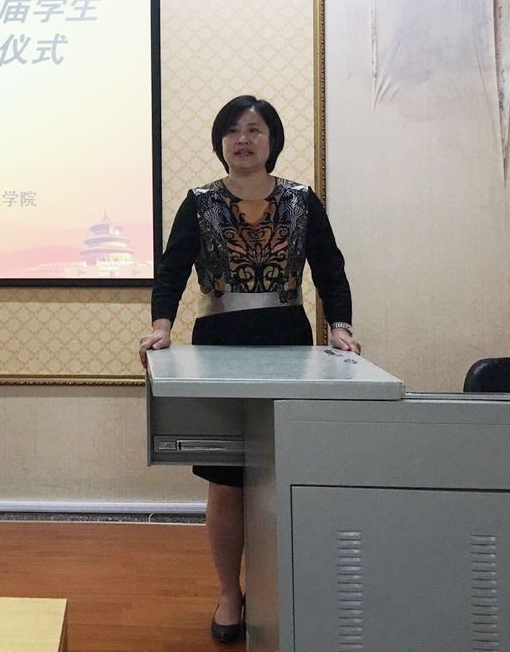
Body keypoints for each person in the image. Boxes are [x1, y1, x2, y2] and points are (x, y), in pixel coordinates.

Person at [139, 94, 359, 644]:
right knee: (226, 481)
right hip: (218, 343)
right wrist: (161, 326)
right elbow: (172, 270)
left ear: (272, 141)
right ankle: (229, 594)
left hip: (287, 339)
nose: (244, 139)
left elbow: (330, 269)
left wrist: (340, 326)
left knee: (282, 475)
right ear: (220, 142)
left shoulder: (302, 201)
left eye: (255, 129)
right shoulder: (199, 202)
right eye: (233, 130)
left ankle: (280, 589)